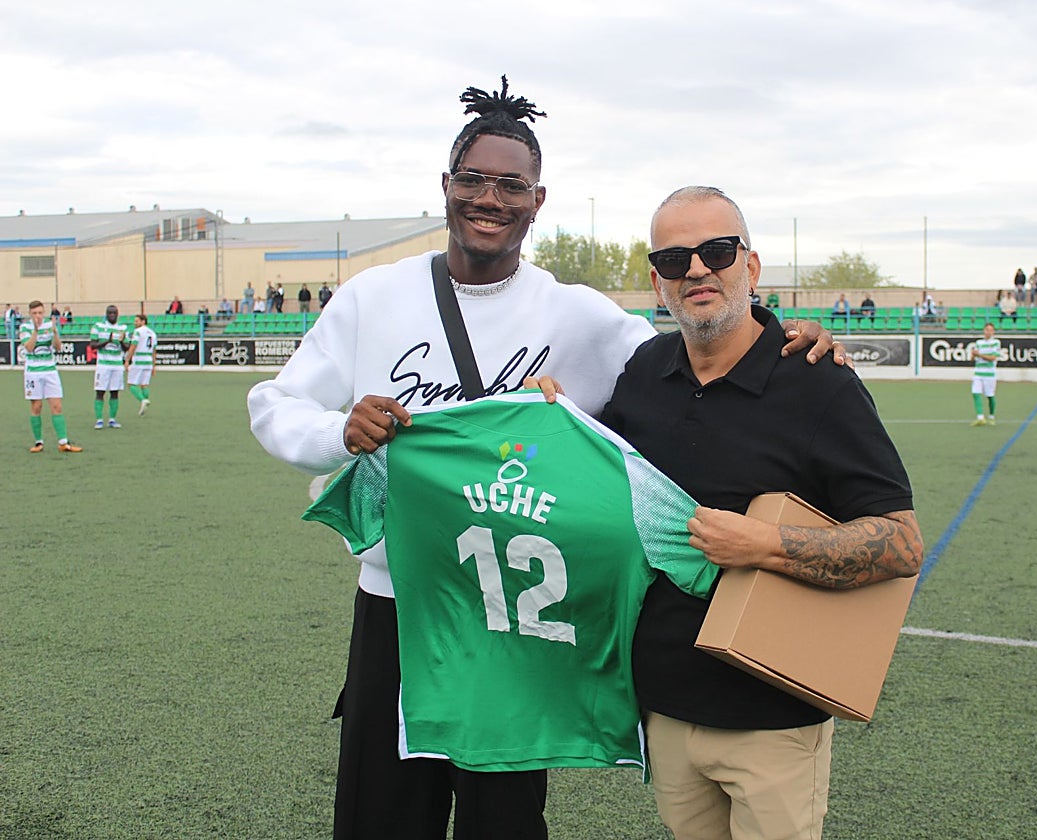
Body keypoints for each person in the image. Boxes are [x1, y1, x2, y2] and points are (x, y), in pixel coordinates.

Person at [247, 78, 844, 840]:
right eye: (474, 180)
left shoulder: (578, 314)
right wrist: (341, 432)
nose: (490, 198)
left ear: (537, 200)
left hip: (513, 622)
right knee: (382, 813)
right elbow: (274, 404)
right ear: (446, 186)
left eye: (511, 185)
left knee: (503, 822)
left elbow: (695, 367)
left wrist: (787, 336)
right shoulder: (373, 298)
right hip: (398, 608)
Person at [599, 186, 922, 839]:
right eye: (672, 258)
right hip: (662, 705)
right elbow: (591, 481)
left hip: (773, 714)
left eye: (716, 250)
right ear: (656, 279)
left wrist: (768, 545)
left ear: (750, 266)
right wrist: (542, 408)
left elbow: (902, 544)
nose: (695, 270)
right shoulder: (642, 372)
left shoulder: (816, 378)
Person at [20, 300, 83, 453]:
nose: (38, 316)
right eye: (34, 313)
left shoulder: (50, 326)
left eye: (40, 313)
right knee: (36, 406)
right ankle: (38, 442)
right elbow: (28, 347)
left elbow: (58, 347)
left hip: (50, 371)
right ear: (30, 314)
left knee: (56, 406)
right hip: (33, 372)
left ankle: (63, 443)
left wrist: (55, 333)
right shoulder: (25, 327)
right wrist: (35, 331)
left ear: (44, 313)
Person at [90, 305, 130, 429]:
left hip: (117, 365)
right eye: (110, 313)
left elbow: (127, 348)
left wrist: (122, 341)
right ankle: (99, 420)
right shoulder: (98, 327)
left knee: (115, 392)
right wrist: (108, 341)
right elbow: (92, 345)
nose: (112, 315)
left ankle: (112, 419)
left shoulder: (123, 328)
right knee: (100, 392)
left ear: (117, 314)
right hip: (103, 365)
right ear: (106, 314)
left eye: (114, 313)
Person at [125, 313, 157, 416]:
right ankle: (145, 402)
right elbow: (154, 351)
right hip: (148, 361)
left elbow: (133, 346)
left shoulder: (138, 332)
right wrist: (154, 365)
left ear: (143, 321)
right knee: (144, 385)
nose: (135, 323)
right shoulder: (152, 333)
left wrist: (127, 360)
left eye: (137, 321)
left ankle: (143, 400)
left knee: (131, 384)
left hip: (139, 360)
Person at [969, 322, 1001, 426]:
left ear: (993, 332)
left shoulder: (996, 342)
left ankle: (991, 416)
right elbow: (972, 359)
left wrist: (980, 354)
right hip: (978, 372)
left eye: (991, 330)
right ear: (984, 330)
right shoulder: (978, 343)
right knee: (975, 393)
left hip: (989, 374)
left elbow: (993, 358)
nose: (988, 332)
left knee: (990, 396)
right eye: (987, 330)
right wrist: (973, 355)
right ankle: (980, 417)